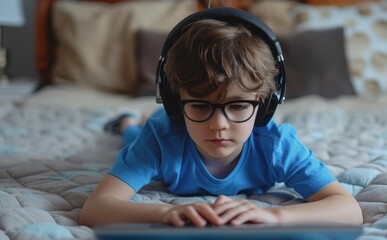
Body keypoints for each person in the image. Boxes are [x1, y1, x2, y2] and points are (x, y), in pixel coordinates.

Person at [80, 8, 363, 228]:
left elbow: (348, 209)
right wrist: (168, 212)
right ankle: (130, 121)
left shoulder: (277, 144)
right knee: (132, 137)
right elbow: (95, 208)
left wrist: (276, 216)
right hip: (156, 126)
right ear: (175, 105)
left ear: (264, 105)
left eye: (238, 106)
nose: (219, 125)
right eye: (201, 106)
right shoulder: (160, 136)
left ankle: (137, 119)